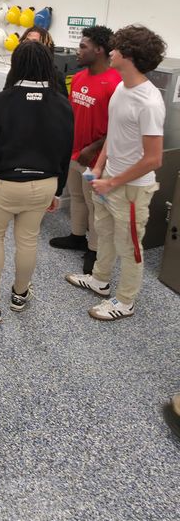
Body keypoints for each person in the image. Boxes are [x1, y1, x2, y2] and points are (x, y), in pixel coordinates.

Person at [0, 41, 74, 325]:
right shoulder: (62, 103)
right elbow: (65, 150)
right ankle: (20, 294)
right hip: (45, 183)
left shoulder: (0, 101)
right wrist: (57, 191)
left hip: (6, 184)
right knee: (28, 240)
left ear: (16, 65)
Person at [64, 24, 166, 320]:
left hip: (132, 189)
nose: (112, 52)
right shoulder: (122, 87)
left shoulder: (149, 102)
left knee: (130, 247)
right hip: (108, 177)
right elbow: (114, 134)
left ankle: (125, 301)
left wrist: (113, 182)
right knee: (105, 234)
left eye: (117, 49)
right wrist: (98, 168)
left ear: (129, 56)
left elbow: (153, 159)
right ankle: (99, 280)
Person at [49, 26, 121, 274]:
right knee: (77, 197)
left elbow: (119, 128)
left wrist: (96, 148)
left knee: (95, 206)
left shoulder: (115, 84)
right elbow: (72, 115)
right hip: (75, 153)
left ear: (99, 50)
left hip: (97, 159)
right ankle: (77, 236)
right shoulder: (78, 78)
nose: (77, 51)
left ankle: (94, 249)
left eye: (83, 46)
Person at [19, 25, 69, 97]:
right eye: (27, 41)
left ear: (46, 49)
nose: (29, 45)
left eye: (35, 42)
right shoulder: (17, 71)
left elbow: (61, 105)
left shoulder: (54, 76)